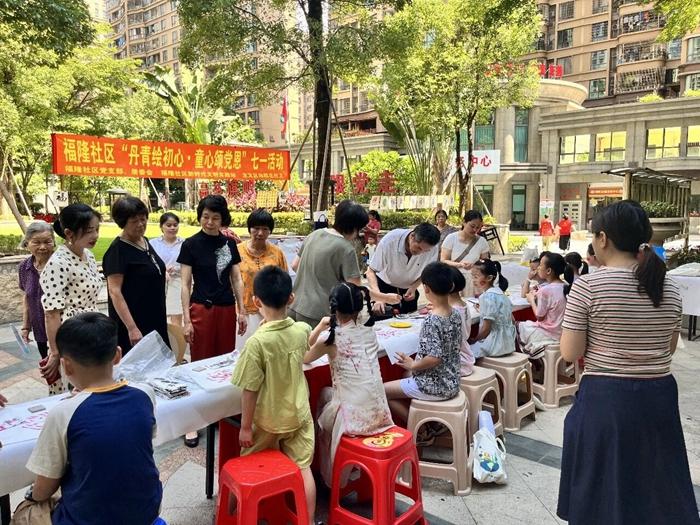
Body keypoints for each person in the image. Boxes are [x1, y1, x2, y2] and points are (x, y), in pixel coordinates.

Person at [557, 200, 699, 525]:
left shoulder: (588, 286)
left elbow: (570, 352)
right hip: (659, 396)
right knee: (652, 486)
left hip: (606, 400)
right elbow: (669, 348)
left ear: (603, 238)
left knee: (601, 490)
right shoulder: (668, 286)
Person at [25, 312, 162, 525]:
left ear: (66, 365)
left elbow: (45, 487)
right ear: (117, 355)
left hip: (86, 519)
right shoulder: (145, 394)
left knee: (25, 512)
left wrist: (32, 496)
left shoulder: (63, 413)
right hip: (147, 510)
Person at [231, 266, 316, 525]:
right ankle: (308, 520)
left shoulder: (256, 343)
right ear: (291, 298)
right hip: (299, 414)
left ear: (256, 301)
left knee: (245, 466)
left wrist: (245, 427)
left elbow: (249, 390)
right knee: (303, 469)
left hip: (267, 419)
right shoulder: (302, 329)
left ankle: (233, 514)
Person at [304, 282, 394, 486]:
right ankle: (344, 473)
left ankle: (331, 478)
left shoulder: (330, 339)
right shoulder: (368, 330)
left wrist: (319, 326)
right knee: (327, 395)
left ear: (333, 308)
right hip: (380, 411)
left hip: (353, 419)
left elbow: (305, 357)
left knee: (323, 410)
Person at [179, 195, 247, 447]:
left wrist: (242, 310)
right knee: (199, 363)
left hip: (226, 308)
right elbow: (185, 284)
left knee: (224, 363)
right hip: (201, 309)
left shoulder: (229, 244)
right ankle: (193, 422)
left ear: (223, 219)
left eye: (215, 217)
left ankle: (220, 413)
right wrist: (186, 319)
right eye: (205, 216)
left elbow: (236, 279)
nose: (209, 222)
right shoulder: (190, 244)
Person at [291, 200, 398, 328]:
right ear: (355, 228)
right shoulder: (346, 248)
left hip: (293, 306)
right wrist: (385, 298)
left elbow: (295, 265)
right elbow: (356, 290)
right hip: (319, 314)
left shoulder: (314, 234)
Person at [383, 262, 462, 429]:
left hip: (435, 385)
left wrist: (413, 364)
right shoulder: (455, 313)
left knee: (381, 392)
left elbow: (434, 358)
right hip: (452, 380)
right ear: (451, 286)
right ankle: (431, 424)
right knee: (406, 374)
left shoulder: (432, 320)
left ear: (426, 289)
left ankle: (421, 429)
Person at [40, 204, 102, 393]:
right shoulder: (58, 263)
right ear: (69, 233)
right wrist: (56, 353)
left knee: (94, 388)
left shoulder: (88, 255)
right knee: (77, 391)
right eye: (89, 231)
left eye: (97, 229)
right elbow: (52, 313)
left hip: (91, 330)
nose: (95, 235)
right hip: (71, 337)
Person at [103, 197, 168, 354]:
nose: (140, 224)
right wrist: (132, 328)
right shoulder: (117, 251)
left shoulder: (144, 241)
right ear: (122, 222)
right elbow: (115, 292)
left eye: (143, 219)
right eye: (134, 221)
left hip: (155, 315)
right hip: (135, 322)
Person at [237, 208, 288, 348]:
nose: (260, 233)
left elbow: (284, 281)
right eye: (256, 228)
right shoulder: (237, 251)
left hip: (271, 311)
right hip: (244, 312)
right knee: (245, 350)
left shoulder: (277, 253)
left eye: (265, 229)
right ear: (249, 229)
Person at [367, 222, 441, 315]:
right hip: (384, 287)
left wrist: (414, 287)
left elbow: (427, 272)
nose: (421, 253)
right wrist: (379, 297)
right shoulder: (390, 241)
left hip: (409, 290)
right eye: (418, 248)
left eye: (425, 251)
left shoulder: (433, 248)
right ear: (412, 236)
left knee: (411, 320)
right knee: (383, 319)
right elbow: (371, 271)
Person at [517, 252, 568, 359]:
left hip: (548, 333)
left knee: (516, 327)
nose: (538, 268)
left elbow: (539, 317)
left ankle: (528, 364)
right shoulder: (565, 285)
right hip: (562, 333)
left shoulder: (545, 290)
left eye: (540, 265)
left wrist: (531, 300)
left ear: (548, 271)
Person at [18, 222, 55, 360]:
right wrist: (26, 327)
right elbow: (27, 297)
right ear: (27, 243)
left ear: (54, 242)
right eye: (36, 242)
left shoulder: (60, 264)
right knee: (47, 366)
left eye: (47, 242)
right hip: (39, 329)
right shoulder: (24, 267)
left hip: (62, 330)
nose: (43, 247)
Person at [468, 259, 515, 359]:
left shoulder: (486, 297)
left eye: (476, 277)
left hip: (494, 346)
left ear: (489, 278)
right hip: (509, 344)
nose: (473, 280)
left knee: (464, 354)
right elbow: (512, 320)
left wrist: (474, 340)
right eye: (472, 276)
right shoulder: (502, 294)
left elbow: (486, 329)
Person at [440, 210, 491, 297]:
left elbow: (486, 263)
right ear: (464, 222)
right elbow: (443, 260)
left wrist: (474, 265)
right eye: (472, 226)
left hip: (474, 282)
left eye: (478, 227)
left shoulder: (482, 241)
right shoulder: (451, 238)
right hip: (454, 279)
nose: (475, 230)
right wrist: (459, 265)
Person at [150, 212, 185, 326]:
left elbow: (189, 264)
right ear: (161, 226)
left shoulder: (184, 244)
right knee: (157, 315)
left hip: (178, 283)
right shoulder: (153, 244)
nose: (172, 228)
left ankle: (176, 337)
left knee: (176, 318)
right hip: (158, 282)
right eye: (168, 225)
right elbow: (149, 263)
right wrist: (162, 270)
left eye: (175, 225)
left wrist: (176, 269)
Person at [448, 267, 475, 377]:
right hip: (466, 357)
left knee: (410, 373)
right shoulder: (464, 305)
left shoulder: (451, 312)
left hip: (457, 363)